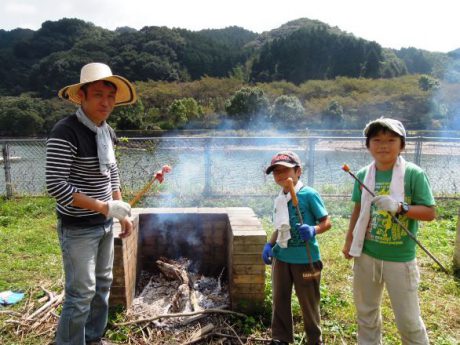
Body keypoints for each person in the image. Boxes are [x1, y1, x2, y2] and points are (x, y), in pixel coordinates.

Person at [46, 62, 137, 345]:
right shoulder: (66, 131)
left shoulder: (106, 132)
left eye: (111, 96)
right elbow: (56, 185)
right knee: (81, 292)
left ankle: (94, 336)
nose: (106, 102)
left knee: (103, 285)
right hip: (77, 227)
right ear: (81, 96)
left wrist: (121, 212)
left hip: (104, 225)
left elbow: (112, 174)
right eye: (99, 94)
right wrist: (103, 207)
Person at [342, 118, 436, 344]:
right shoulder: (364, 174)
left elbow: (430, 213)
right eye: (377, 140)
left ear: (402, 145)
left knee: (409, 321)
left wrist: (400, 207)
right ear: (368, 145)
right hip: (367, 254)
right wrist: (349, 241)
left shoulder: (414, 174)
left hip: (399, 258)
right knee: (366, 314)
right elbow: (358, 209)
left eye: (391, 140)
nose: (383, 145)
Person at [262, 151, 332, 345]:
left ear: (298, 171)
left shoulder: (308, 194)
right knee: (280, 300)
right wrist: (269, 244)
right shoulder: (279, 199)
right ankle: (280, 338)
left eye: (286, 170)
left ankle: (314, 340)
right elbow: (279, 227)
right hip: (282, 258)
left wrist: (314, 229)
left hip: (305, 259)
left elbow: (327, 222)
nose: (281, 175)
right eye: (276, 172)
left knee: (309, 304)